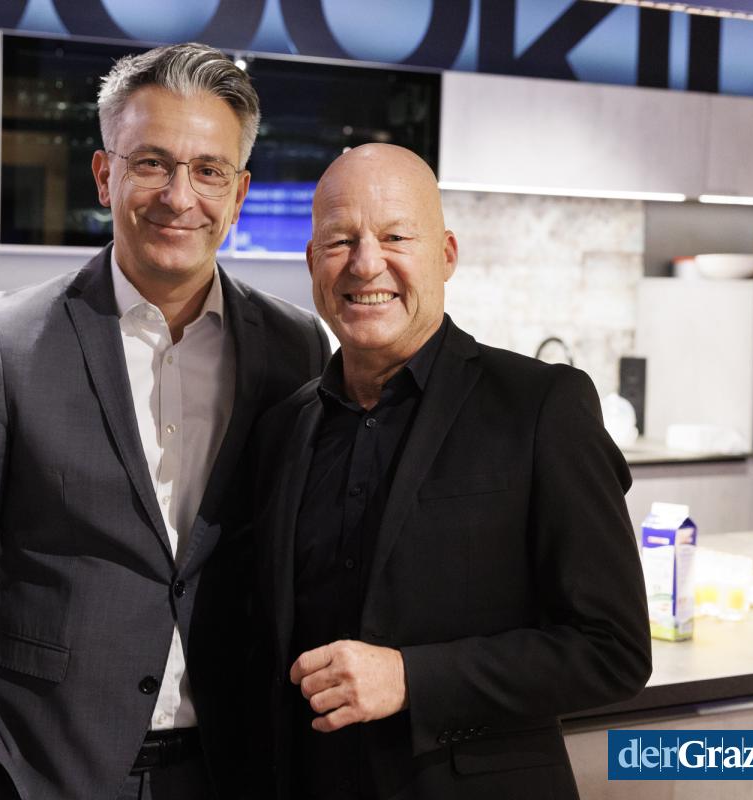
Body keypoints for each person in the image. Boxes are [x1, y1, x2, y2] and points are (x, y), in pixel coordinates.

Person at [0, 42, 329, 800]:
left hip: (237, 762)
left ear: (239, 192)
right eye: (152, 163)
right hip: (47, 767)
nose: (180, 196)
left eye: (209, 170)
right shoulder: (7, 342)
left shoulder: (296, 346)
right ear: (104, 174)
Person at [251, 143, 651, 800]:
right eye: (340, 241)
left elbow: (613, 650)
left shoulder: (541, 406)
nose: (366, 263)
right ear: (312, 261)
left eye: (396, 236)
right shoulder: (283, 428)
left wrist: (411, 679)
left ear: (447, 255)